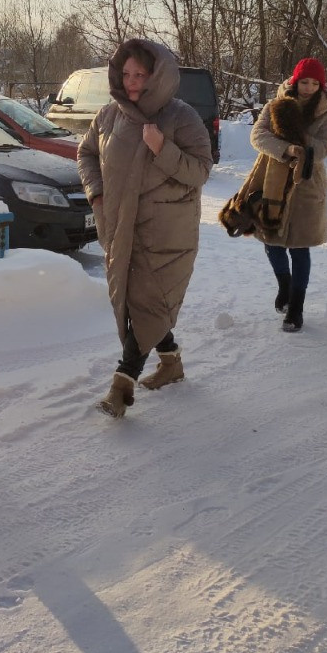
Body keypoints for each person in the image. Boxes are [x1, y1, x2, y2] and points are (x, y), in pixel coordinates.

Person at [77, 38, 213, 418]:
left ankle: (122, 384)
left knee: (151, 302)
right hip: (119, 225)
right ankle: (171, 363)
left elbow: (200, 171)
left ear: (160, 76)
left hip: (167, 233)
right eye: (127, 73)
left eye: (141, 74)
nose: (133, 81)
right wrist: (97, 196)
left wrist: (161, 148)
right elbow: (85, 153)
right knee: (139, 303)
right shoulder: (108, 116)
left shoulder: (181, 117)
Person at [248, 58, 327, 332]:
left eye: (314, 83)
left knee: (299, 247)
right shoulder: (275, 106)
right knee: (270, 239)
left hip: (306, 186)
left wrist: (301, 145)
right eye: (304, 82)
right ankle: (284, 284)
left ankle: (296, 308)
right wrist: (287, 149)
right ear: (295, 81)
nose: (309, 88)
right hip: (273, 180)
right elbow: (257, 135)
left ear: (321, 85)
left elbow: (325, 146)